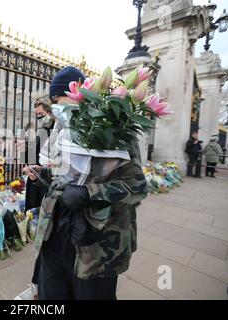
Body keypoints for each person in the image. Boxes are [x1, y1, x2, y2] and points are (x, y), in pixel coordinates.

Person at [33, 66, 148, 300]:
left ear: (81, 95)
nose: (55, 106)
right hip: (55, 234)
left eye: (59, 98)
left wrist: (89, 193)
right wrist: (43, 174)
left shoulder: (116, 130)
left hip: (96, 247)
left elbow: (137, 187)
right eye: (53, 100)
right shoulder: (57, 131)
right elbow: (61, 175)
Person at [14, 98, 55, 300]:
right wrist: (24, 151)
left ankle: (37, 286)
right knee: (44, 240)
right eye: (37, 115)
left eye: (41, 114)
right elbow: (35, 158)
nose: (40, 118)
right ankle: (38, 284)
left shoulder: (56, 130)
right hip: (41, 187)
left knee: (45, 241)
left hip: (49, 193)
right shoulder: (45, 131)